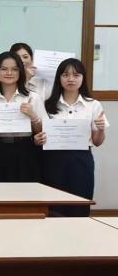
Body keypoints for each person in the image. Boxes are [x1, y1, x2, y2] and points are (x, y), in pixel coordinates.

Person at [35, 58, 108, 216]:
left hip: (81, 160)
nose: (70, 79)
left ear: (83, 78)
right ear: (59, 78)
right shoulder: (47, 104)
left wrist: (101, 130)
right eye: (65, 75)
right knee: (53, 206)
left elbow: (97, 142)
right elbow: (40, 133)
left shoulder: (93, 105)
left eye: (76, 75)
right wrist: (37, 139)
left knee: (79, 203)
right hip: (52, 160)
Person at [0, 51, 45, 182]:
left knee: (25, 192)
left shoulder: (32, 97)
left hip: (25, 150)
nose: (9, 73)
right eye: (4, 69)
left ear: (21, 72)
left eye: (14, 69)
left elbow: (43, 132)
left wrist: (33, 116)